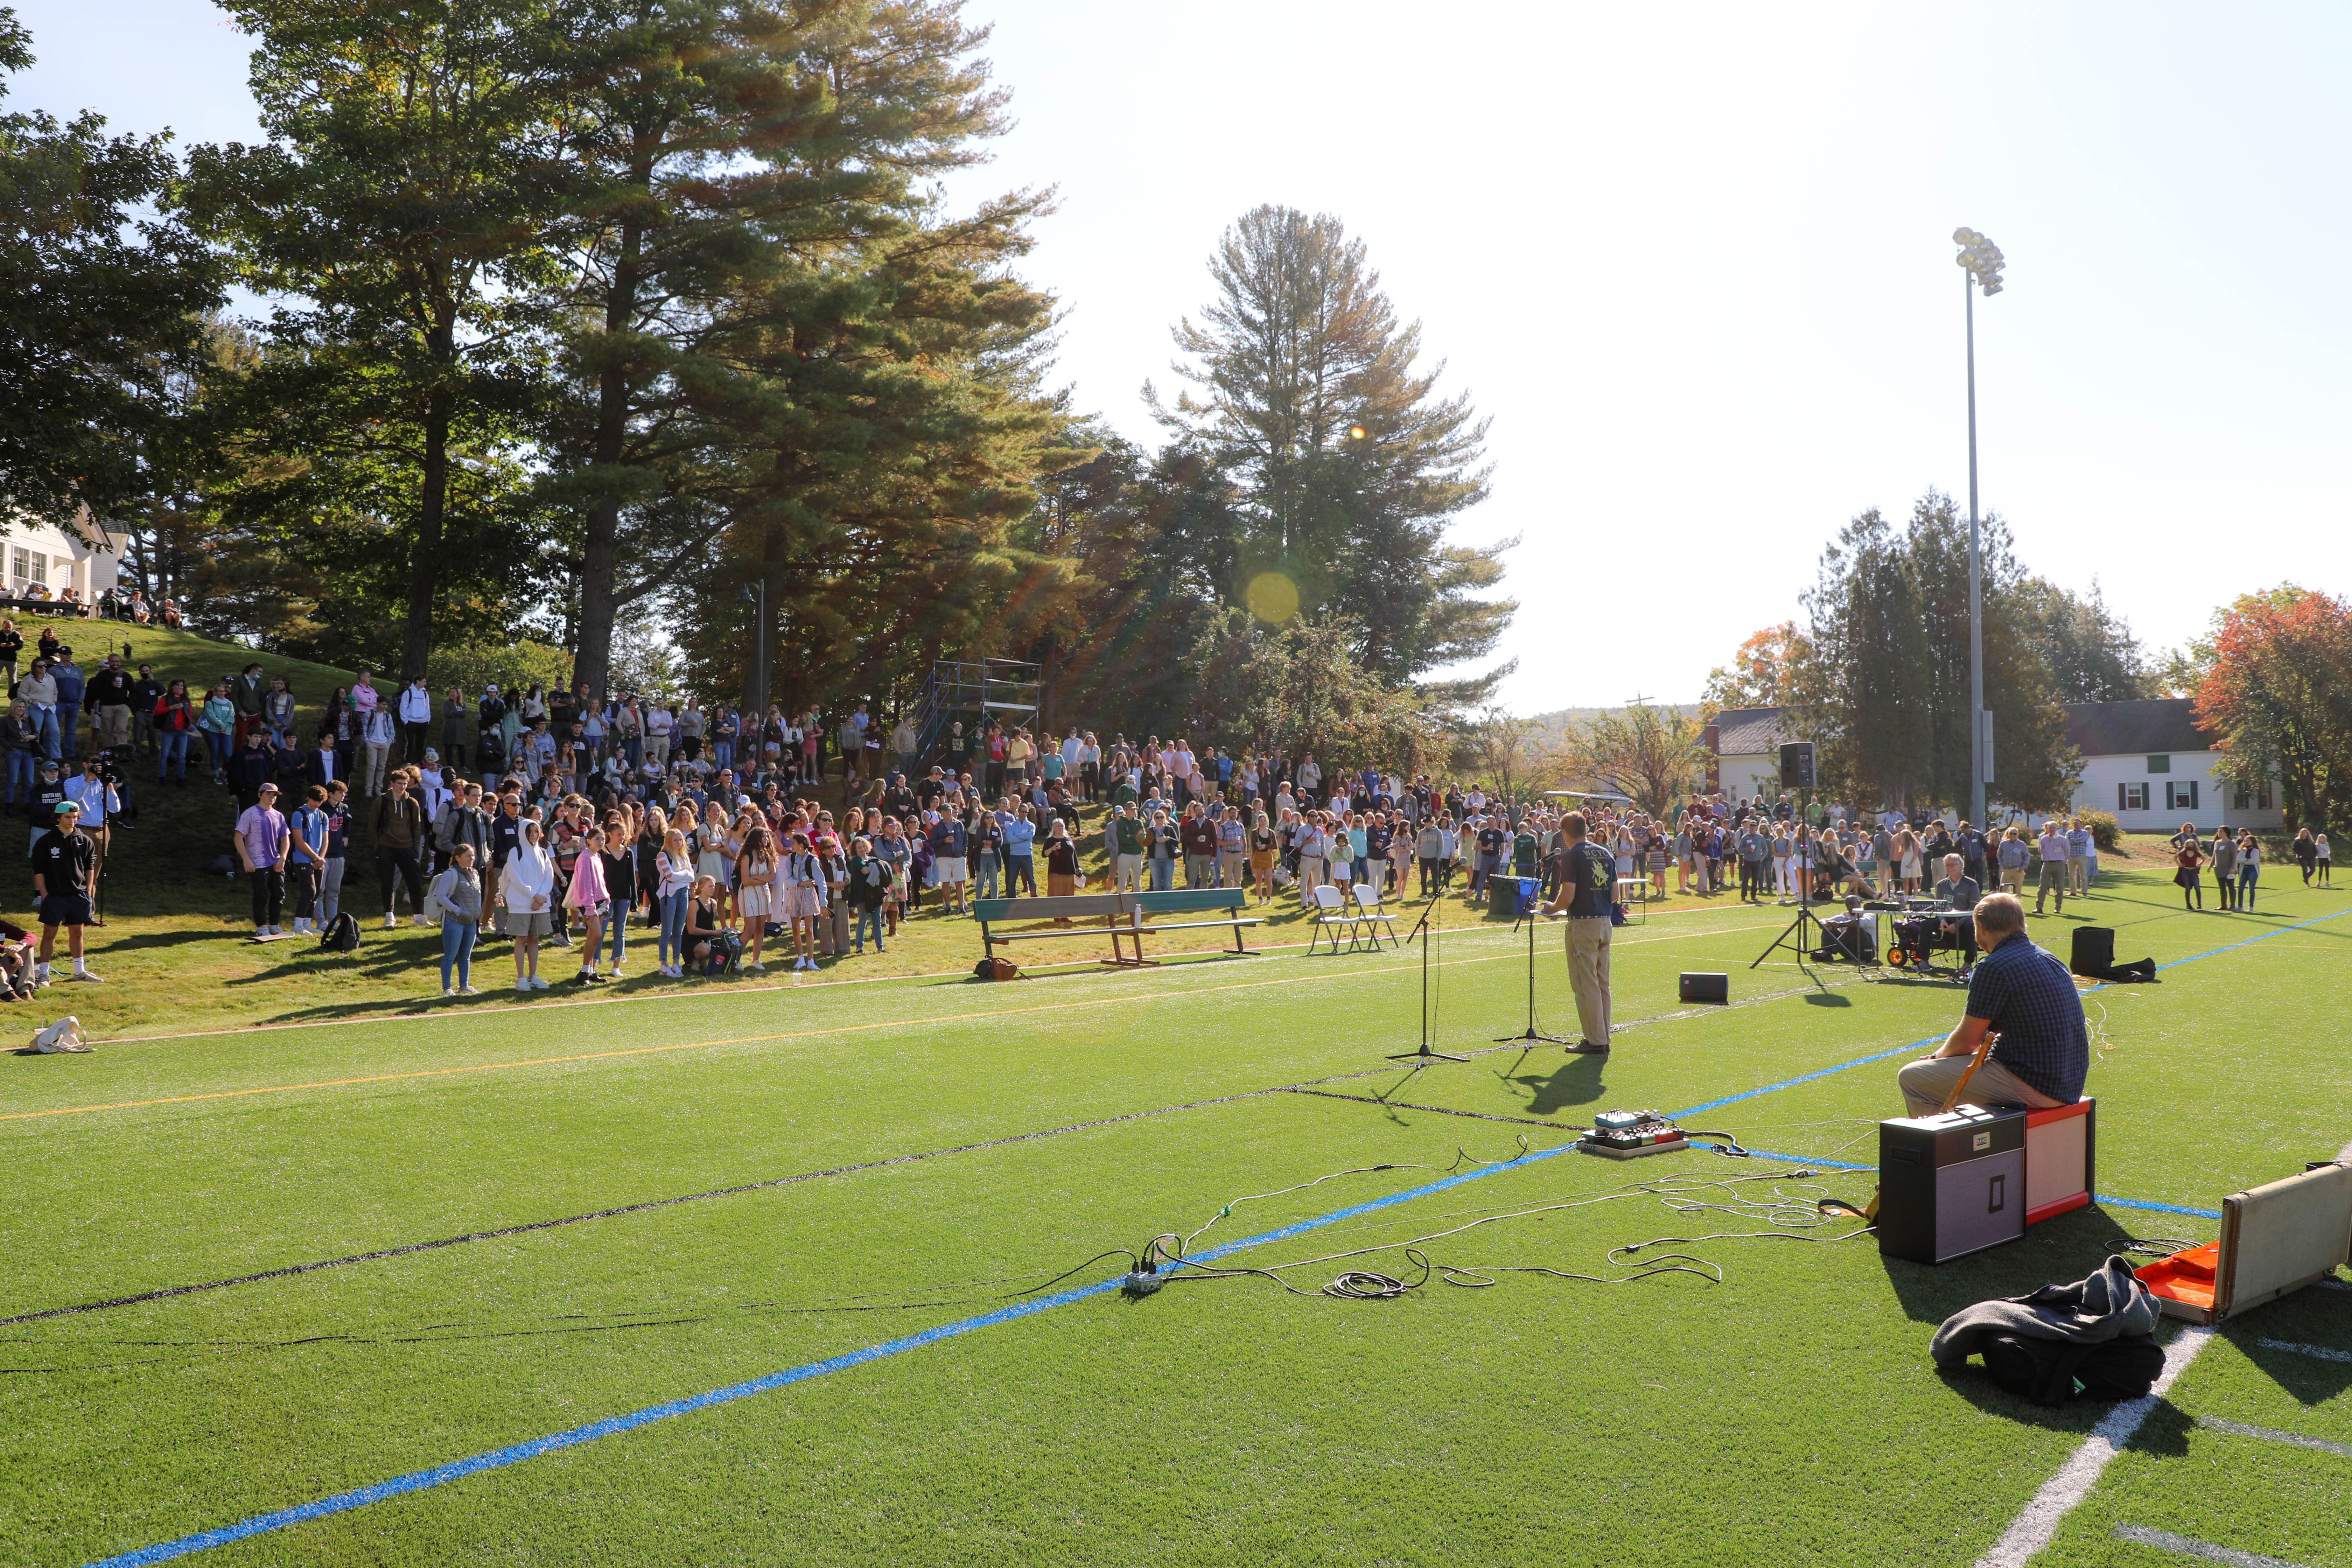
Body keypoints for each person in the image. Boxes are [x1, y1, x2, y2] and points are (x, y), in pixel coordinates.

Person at [1896, 893, 2087, 1118]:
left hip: (2036, 1084)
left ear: (1982, 929)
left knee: (1913, 1077)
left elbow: (1968, 1042)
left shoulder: (1994, 966)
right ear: (2021, 924)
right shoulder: (2052, 959)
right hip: (2069, 1082)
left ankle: (1945, 1149)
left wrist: (1937, 1058)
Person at [1539, 811, 1614, 1055]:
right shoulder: (1605, 852)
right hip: (1605, 921)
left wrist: (1552, 908)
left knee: (1585, 984)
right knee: (1602, 983)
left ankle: (1595, 1041)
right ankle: (1603, 1035)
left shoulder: (1572, 856)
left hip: (1583, 924)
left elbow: (1568, 896)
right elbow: (1615, 896)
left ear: (1564, 833)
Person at [30, 800, 101, 983]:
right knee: (49, 935)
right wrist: (44, 895)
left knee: (78, 933)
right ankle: (44, 974)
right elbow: (39, 870)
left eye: (75, 817)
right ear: (58, 818)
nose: (72, 821)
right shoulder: (46, 841)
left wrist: (89, 892)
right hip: (55, 895)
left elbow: (90, 867)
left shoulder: (85, 840)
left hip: (79, 895)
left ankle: (79, 972)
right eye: (68, 817)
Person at [500, 819, 556, 991]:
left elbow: (549, 877)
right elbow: (516, 879)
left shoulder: (544, 853)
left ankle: (533, 976)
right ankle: (521, 979)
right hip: (521, 904)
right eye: (529, 832)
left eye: (536, 832)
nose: (533, 835)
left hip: (540, 905)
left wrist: (541, 897)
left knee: (534, 939)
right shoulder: (515, 852)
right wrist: (534, 895)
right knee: (522, 939)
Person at [373, 769, 430, 927]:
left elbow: (417, 827)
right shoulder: (382, 801)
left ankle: (418, 916)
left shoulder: (412, 803)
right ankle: (389, 915)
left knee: (415, 882)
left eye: (405, 784)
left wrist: (415, 848)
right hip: (387, 847)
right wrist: (378, 847)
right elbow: (374, 826)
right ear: (392, 783)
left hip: (407, 847)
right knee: (388, 883)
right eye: (400, 784)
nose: (403, 787)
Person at [426, 842, 484, 996]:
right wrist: (457, 910)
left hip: (471, 921)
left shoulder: (475, 873)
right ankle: (447, 988)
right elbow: (441, 897)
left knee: (466, 956)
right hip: (454, 921)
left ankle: (464, 987)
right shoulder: (450, 874)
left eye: (473, 855)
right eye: (468, 856)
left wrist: (478, 911)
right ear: (458, 858)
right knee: (450, 956)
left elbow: (478, 894)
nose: (472, 859)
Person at [1932, 852, 1982, 965]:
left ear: (1960, 866)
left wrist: (1958, 924)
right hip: (1946, 919)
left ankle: (1968, 963)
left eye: (1953, 865)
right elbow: (1939, 907)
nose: (1950, 868)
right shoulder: (1941, 885)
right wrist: (1942, 920)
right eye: (1947, 865)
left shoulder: (1972, 885)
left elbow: (1974, 910)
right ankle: (1923, 961)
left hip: (1964, 920)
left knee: (1971, 925)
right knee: (1926, 923)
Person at [2032, 819, 2068, 914]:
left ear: (2057, 829)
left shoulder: (2063, 840)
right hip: (2047, 863)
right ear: (2047, 829)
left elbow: (2067, 851)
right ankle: (2039, 907)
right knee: (2043, 886)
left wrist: (2063, 860)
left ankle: (2058, 908)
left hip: (2059, 864)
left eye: (2054, 828)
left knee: (2059, 887)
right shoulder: (2044, 839)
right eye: (2050, 828)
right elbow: (2041, 850)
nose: (2052, 829)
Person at [2172, 826, 2205, 911]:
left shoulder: (2196, 852)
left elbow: (2203, 858)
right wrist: (2179, 864)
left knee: (2197, 887)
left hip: (2194, 871)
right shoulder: (2183, 852)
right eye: (2188, 845)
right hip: (2186, 871)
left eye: (2192, 845)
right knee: (2188, 888)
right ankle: (2188, 905)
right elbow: (2175, 857)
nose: (2190, 847)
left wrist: (2200, 864)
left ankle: (2199, 904)